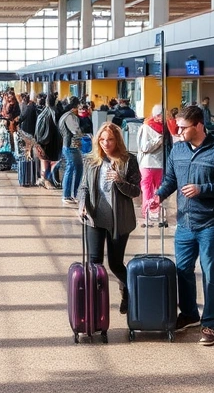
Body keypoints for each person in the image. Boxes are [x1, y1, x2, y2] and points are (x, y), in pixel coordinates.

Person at [147, 105, 214, 346]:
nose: (178, 131)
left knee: (210, 273)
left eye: (183, 127)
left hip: (210, 222)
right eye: (177, 126)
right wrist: (158, 195)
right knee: (183, 270)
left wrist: (203, 190)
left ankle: (209, 324)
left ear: (199, 125)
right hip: (185, 223)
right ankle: (189, 313)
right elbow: (170, 180)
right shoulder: (177, 150)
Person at [77, 122, 141, 315]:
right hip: (95, 218)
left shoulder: (129, 160)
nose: (106, 143)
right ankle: (95, 303)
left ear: (117, 140)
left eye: (110, 139)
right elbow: (83, 187)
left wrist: (120, 181)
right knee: (94, 263)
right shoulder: (91, 160)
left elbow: (136, 191)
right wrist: (81, 205)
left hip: (119, 220)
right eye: (102, 139)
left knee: (115, 263)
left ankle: (128, 291)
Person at [136, 105, 166, 225]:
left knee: (157, 190)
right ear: (157, 115)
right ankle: (146, 212)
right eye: (163, 114)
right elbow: (144, 147)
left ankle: (155, 211)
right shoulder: (146, 127)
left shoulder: (164, 128)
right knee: (147, 189)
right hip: (147, 163)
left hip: (159, 164)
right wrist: (158, 140)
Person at [58, 96, 86, 206]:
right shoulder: (70, 117)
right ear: (75, 107)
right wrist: (83, 135)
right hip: (70, 146)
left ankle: (73, 194)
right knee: (71, 168)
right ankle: (67, 195)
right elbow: (75, 130)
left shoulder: (65, 115)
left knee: (77, 168)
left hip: (70, 146)